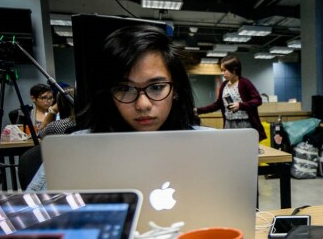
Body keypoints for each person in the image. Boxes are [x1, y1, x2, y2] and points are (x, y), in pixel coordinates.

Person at [27, 24, 206, 191]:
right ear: (108, 94)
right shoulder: (76, 150)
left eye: (157, 87)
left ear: (176, 90)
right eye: (124, 89)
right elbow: (30, 218)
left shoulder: (210, 145)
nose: (143, 104)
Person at [195, 55, 267, 140]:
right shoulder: (224, 85)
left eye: (225, 70)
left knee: (245, 149)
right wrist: (198, 110)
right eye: (222, 70)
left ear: (234, 70)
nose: (223, 73)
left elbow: (258, 100)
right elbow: (217, 104)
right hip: (228, 123)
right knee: (229, 148)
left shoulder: (245, 83)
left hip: (245, 123)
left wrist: (240, 105)